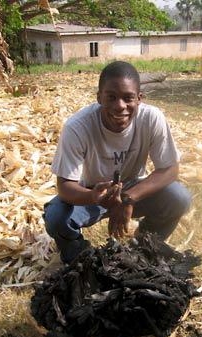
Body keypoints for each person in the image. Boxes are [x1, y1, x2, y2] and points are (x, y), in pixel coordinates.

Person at [43, 61, 192, 264]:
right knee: (56, 217)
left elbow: (170, 169)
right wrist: (94, 197)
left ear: (139, 99)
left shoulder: (152, 118)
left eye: (128, 98)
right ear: (98, 97)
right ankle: (80, 257)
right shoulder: (77, 126)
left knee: (179, 197)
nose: (120, 106)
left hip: (133, 186)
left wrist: (129, 198)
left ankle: (145, 244)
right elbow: (65, 186)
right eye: (111, 97)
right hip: (93, 191)